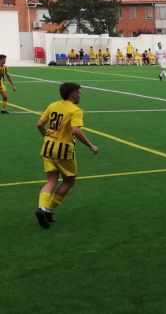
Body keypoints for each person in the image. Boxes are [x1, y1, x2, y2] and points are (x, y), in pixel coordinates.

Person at [35, 82, 99, 229]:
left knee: (51, 181)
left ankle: (42, 208)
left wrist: (47, 136)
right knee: (69, 181)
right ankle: (48, 209)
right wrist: (91, 146)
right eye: (79, 92)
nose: (80, 95)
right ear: (73, 94)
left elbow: (39, 124)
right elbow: (75, 131)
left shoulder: (53, 105)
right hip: (63, 149)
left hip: (48, 147)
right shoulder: (75, 110)